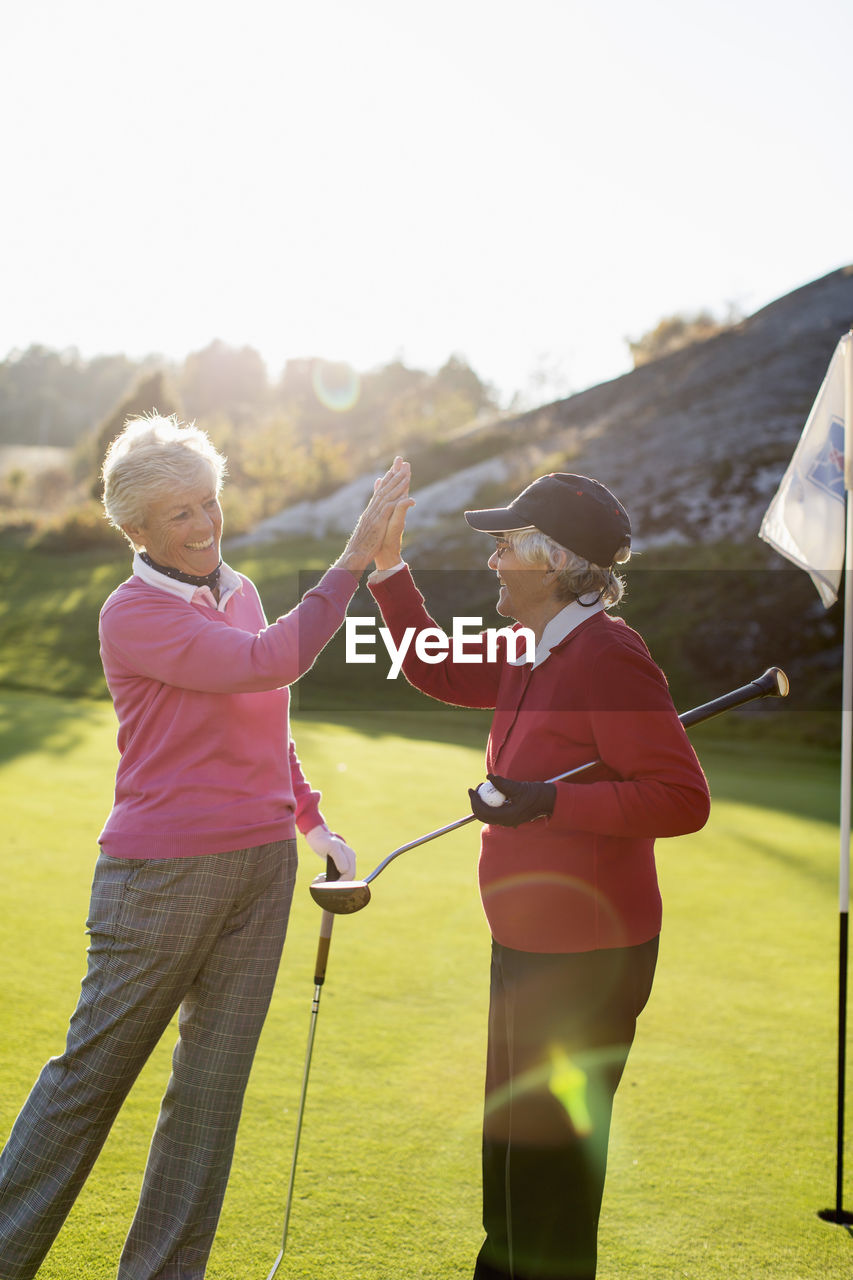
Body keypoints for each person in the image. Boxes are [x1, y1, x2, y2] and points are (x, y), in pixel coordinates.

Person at [0, 414, 409, 1280]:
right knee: (88, 1084)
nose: (203, 525)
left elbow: (268, 720)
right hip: (161, 876)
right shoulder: (133, 615)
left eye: (208, 503)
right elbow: (272, 663)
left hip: (261, 866)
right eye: (178, 513)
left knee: (210, 1097)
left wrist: (313, 824)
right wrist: (352, 558)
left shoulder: (241, 590)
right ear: (136, 530)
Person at [368, 466, 711, 1280]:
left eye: (505, 548)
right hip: (527, 943)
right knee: (514, 1160)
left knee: (547, 1179)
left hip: (586, 957)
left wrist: (547, 806)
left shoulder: (606, 656)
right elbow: (436, 668)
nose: (492, 563)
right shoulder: (535, 643)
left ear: (552, 563)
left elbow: (680, 798)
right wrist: (388, 570)